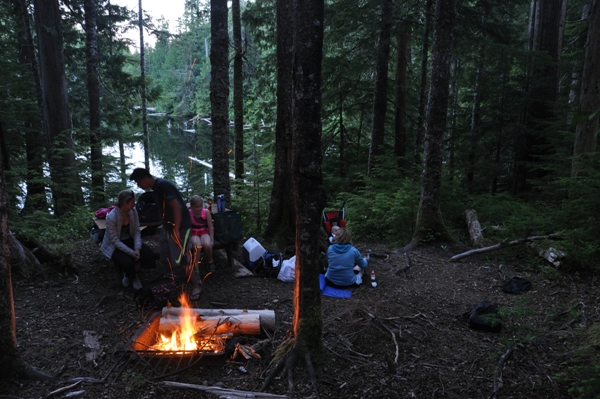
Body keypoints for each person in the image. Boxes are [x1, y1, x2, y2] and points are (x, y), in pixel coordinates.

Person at [129, 168, 201, 300]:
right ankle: (172, 284)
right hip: (168, 227)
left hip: (180, 227)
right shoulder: (156, 188)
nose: (139, 186)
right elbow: (165, 210)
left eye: (138, 182)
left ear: (145, 178)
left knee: (182, 260)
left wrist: (177, 230)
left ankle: (195, 286)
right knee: (164, 257)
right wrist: (161, 229)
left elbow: (177, 207)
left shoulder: (163, 186)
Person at [100, 189, 156, 290]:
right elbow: (115, 241)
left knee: (149, 254)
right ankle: (133, 277)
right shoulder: (112, 217)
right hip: (114, 245)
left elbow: (136, 232)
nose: (134, 204)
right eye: (132, 202)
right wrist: (131, 252)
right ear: (125, 203)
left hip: (128, 239)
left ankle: (133, 271)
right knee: (127, 262)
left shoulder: (133, 212)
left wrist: (137, 249)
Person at [189, 195, 215, 273]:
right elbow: (187, 229)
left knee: (207, 244)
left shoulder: (205, 212)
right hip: (194, 233)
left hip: (203, 231)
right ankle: (196, 269)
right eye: (197, 207)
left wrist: (212, 240)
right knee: (197, 246)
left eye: (201, 206)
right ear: (192, 206)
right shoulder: (189, 213)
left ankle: (210, 262)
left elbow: (210, 227)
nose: (199, 208)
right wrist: (188, 241)